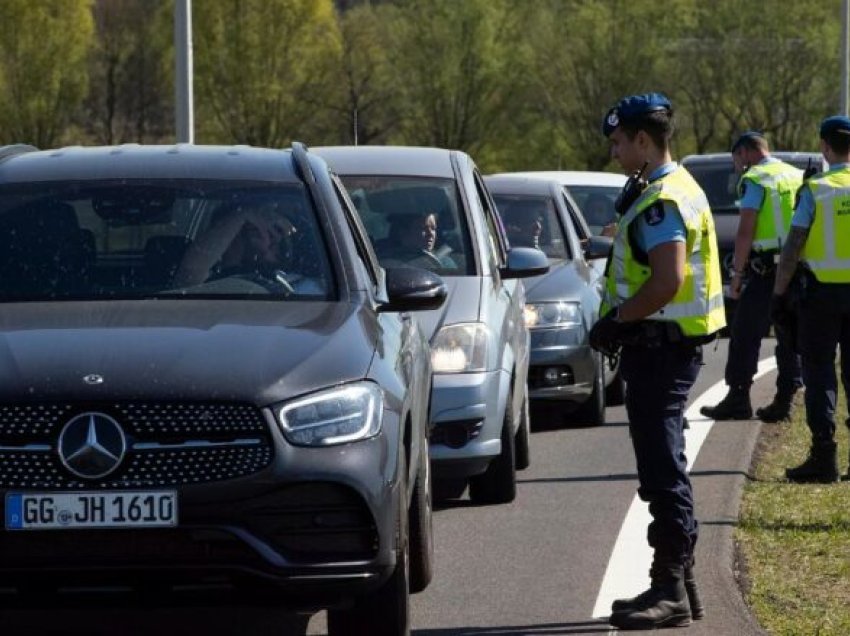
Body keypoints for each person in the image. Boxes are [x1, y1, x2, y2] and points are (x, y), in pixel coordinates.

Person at [589, 93, 725, 630]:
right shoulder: (674, 187)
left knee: (662, 471)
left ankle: (670, 588)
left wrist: (617, 320)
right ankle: (679, 585)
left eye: (619, 142)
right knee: (663, 465)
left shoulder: (663, 202)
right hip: (665, 348)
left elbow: (667, 281)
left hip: (659, 349)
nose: (616, 152)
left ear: (644, 141)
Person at [700, 132, 803, 422]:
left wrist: (736, 275)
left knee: (745, 333)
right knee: (788, 336)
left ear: (745, 152)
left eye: (736, 160)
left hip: (767, 271)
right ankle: (785, 400)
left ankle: (738, 398)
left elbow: (746, 230)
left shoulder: (755, 179)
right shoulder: (794, 175)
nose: (737, 168)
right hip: (796, 269)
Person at [772, 115, 850, 483]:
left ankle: (824, 456)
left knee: (819, 372)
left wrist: (778, 292)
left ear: (824, 146)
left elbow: (792, 247)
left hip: (821, 295)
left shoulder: (816, 189)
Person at [174, 200, 320, 294]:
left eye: (276, 234)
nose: (271, 238)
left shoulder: (302, 287)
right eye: (255, 230)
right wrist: (243, 215)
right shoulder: (206, 286)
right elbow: (189, 274)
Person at [383, 211, 456, 269]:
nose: (430, 234)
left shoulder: (445, 263)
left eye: (433, 228)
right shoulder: (382, 261)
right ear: (403, 232)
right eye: (423, 228)